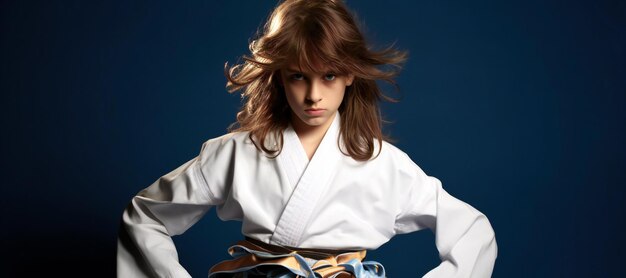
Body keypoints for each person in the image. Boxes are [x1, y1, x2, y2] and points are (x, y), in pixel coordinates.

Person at [116, 0, 498, 277]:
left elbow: (472, 230)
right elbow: (145, 216)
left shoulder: (385, 164)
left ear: (350, 74)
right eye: (299, 75)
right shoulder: (234, 153)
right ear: (279, 77)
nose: (313, 94)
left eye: (329, 75)